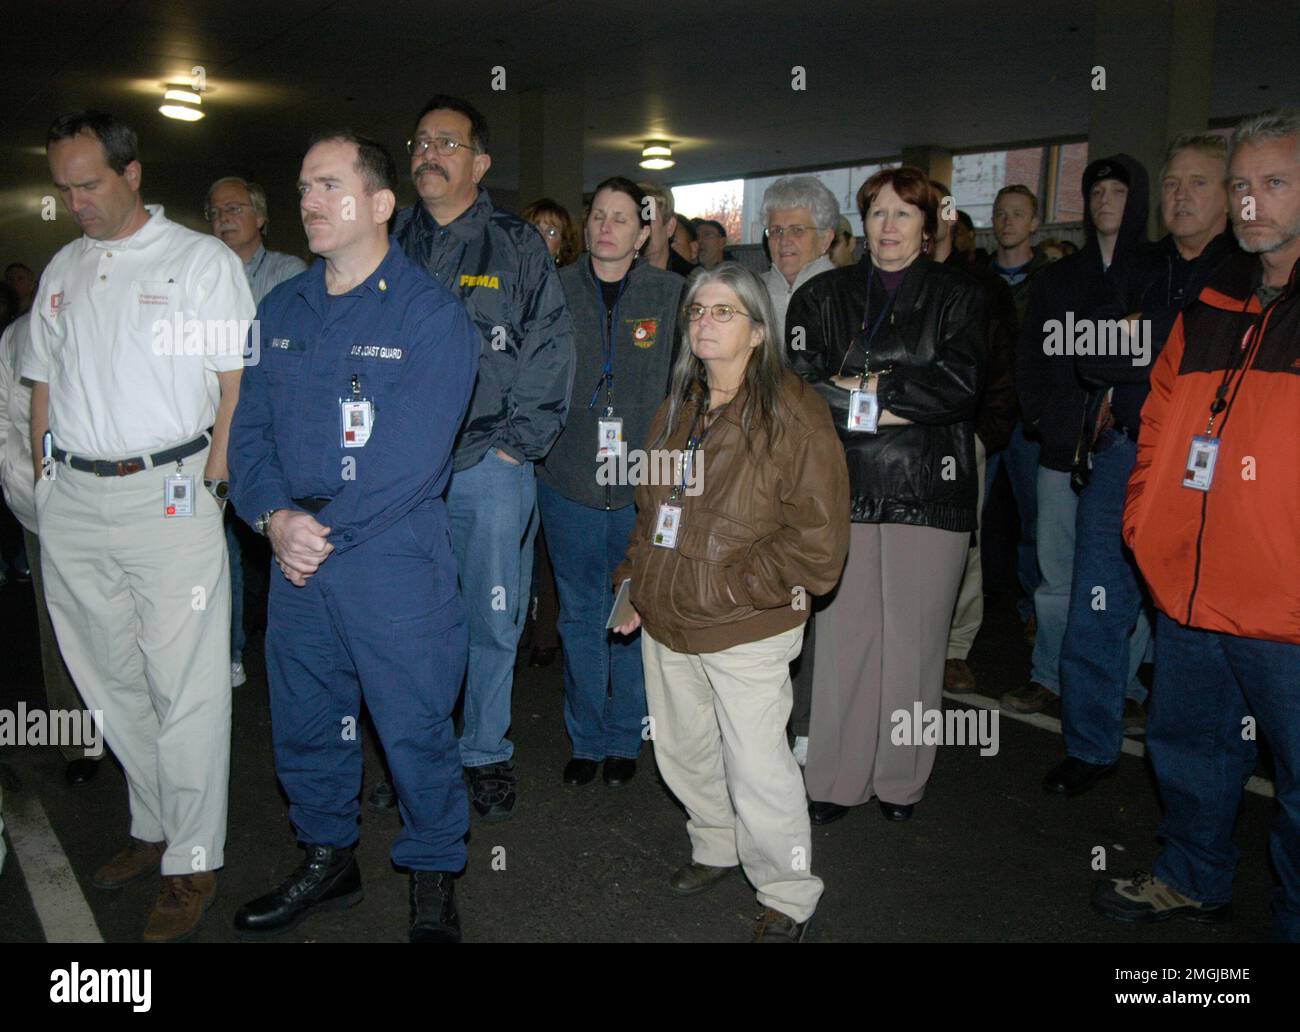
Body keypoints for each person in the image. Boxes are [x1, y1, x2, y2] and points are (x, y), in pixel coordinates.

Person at [228, 129, 479, 943]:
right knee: (306, 718)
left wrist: (314, 531)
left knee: (412, 726)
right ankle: (328, 856)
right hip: (297, 548)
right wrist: (273, 517)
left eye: (329, 186)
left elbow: (412, 454)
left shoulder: (431, 316)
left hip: (389, 555)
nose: (309, 203)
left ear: (379, 204)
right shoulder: (282, 308)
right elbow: (250, 432)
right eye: (303, 186)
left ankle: (435, 873)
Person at [25, 110, 253, 941]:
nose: (75, 201)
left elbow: (234, 384)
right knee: (109, 676)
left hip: (170, 493)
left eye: (88, 185)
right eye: (65, 188)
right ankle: (152, 827)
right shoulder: (64, 267)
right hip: (77, 501)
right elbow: (40, 377)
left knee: (184, 685)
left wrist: (215, 480)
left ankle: (193, 860)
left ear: (132, 175)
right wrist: (46, 474)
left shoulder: (198, 262)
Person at [1094, 108, 1300, 942]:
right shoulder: (1216, 299)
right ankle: (1190, 877)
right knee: (1188, 752)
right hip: (1190, 590)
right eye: (1243, 185)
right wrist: (1149, 524)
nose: (1251, 203)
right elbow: (1158, 425)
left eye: (1274, 184)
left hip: (1286, 610)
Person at [612, 262, 849, 942]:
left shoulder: (794, 413)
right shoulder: (678, 404)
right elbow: (649, 507)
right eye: (697, 312)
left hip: (746, 621)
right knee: (683, 750)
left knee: (757, 764)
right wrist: (636, 582)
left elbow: (819, 550)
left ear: (756, 330)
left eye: (723, 312)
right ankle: (715, 844)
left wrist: (727, 585)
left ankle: (788, 890)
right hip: (667, 616)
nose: (705, 323)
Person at [381, 95, 576, 821]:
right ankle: (416, 754)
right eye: (421, 141)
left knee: (490, 616)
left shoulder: (516, 244)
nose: (429, 153)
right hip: (394, 475)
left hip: (484, 467)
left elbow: (550, 347)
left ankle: (484, 750)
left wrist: (513, 446)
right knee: (402, 620)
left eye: (448, 143)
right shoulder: (385, 239)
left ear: (480, 162)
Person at [787, 166, 985, 824]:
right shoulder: (822, 296)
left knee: (915, 644)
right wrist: (900, 392)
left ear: (929, 227)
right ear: (860, 225)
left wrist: (864, 390)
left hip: (930, 488)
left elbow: (958, 386)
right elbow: (802, 385)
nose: (890, 226)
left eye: (905, 214)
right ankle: (836, 781)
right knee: (843, 642)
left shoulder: (961, 295)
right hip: (842, 485)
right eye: (877, 214)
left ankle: (900, 780)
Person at [1045, 134, 1238, 794]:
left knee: (1193, 619)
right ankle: (1090, 746)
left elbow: (1217, 369)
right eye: (1174, 183)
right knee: (1095, 606)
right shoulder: (1138, 264)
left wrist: (1143, 339)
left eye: (1200, 183)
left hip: (1206, 468)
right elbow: (1089, 352)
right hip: (1124, 454)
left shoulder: (1245, 272)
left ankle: (1195, 768)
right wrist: (1161, 345)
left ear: (1229, 195)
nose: (1182, 195)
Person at [537, 177, 683, 788]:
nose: (607, 228)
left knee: (631, 608)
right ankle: (587, 738)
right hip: (568, 473)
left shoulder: (673, 294)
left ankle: (626, 737)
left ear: (644, 231)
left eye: (622, 219)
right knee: (579, 613)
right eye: (598, 215)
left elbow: (687, 387)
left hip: (639, 481)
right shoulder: (554, 288)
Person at [1008, 155, 1153, 722]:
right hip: (1061, 449)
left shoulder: (1155, 271)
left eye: (1118, 190)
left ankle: (1122, 686)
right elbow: (1032, 356)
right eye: (1097, 192)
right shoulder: (1061, 279)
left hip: (1130, 451)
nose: (1105, 200)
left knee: (1124, 577)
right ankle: (1050, 676)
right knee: (1056, 574)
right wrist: (1044, 418)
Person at [206, 176, 307, 689]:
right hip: (210, 430)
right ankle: (227, 649)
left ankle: (287, 652)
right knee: (216, 546)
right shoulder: (197, 274)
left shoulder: (289, 275)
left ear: (261, 217)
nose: (224, 216)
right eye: (216, 210)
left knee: (272, 537)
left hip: (271, 435)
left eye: (236, 208)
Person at [0, 311, 98, 787]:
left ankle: (134, 736)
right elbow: (6, 419)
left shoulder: (120, 321)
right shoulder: (19, 335)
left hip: (115, 509)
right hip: (43, 509)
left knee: (126, 625)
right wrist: (31, 487)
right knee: (57, 623)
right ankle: (78, 741)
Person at [929, 181, 1018, 696]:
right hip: (904, 439)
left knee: (965, 542)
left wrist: (986, 432)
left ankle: (956, 648)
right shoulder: (894, 281)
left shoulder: (983, 287)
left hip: (966, 435)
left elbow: (1003, 363)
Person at [987, 185, 1052, 636]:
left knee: (1037, 520)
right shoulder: (976, 279)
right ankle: (959, 618)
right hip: (987, 415)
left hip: (1031, 421)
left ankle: (1034, 608)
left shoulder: (1054, 280)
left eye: (1017, 214)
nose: (1007, 221)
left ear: (1034, 223)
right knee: (968, 520)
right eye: (1001, 213)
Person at [759, 175, 838, 339]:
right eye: (776, 230)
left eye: (797, 230)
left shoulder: (846, 295)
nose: (784, 240)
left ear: (825, 239)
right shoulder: (751, 293)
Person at [638, 181, 697, 278]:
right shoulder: (617, 278)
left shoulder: (692, 283)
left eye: (648, 219)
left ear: (670, 226)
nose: (640, 227)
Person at [521, 197, 580, 267]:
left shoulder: (565, 277)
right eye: (535, 229)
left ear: (561, 246)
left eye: (551, 232)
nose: (541, 237)